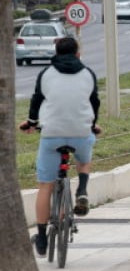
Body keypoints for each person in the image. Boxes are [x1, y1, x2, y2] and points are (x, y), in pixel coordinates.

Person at [19, 37, 100, 257]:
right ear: (77, 54)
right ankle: (82, 189)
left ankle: (43, 238)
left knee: (45, 186)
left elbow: (37, 100)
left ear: (55, 52)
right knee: (84, 161)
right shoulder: (87, 74)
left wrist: (31, 123)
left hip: (52, 133)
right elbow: (94, 102)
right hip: (81, 133)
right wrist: (92, 125)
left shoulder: (46, 74)